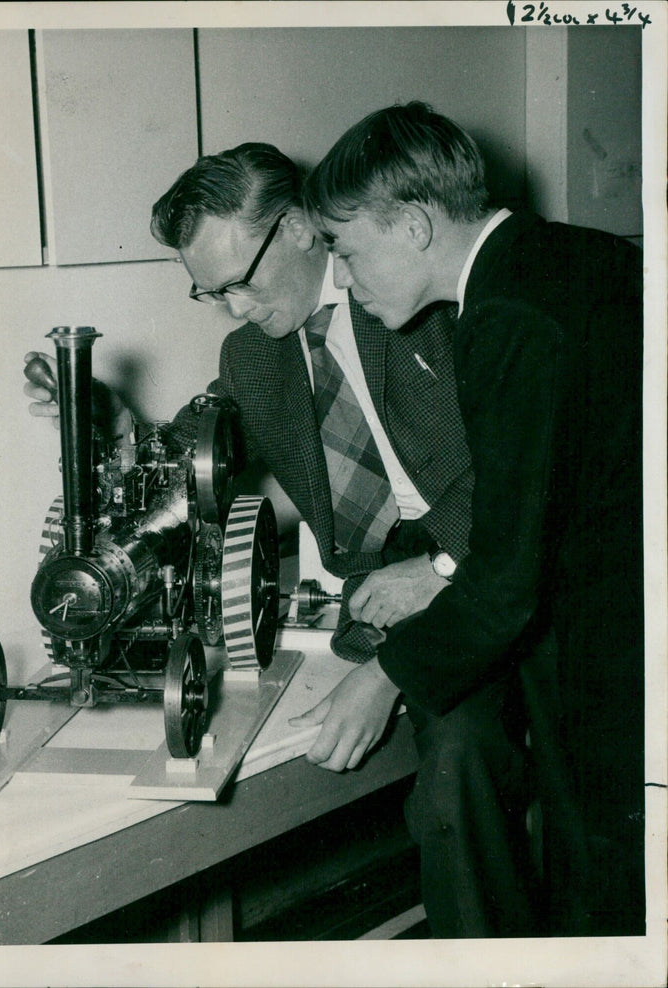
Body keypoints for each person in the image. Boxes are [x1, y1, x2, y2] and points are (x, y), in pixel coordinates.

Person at [26, 143, 542, 938]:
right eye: (212, 292)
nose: (234, 309)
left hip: (482, 566)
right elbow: (197, 458)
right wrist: (119, 425)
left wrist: (438, 568)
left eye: (241, 281)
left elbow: (518, 464)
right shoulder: (252, 355)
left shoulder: (417, 292)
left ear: (300, 227)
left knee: (458, 767)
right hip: (372, 590)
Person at [303, 101, 645, 938]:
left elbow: (506, 582)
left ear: (414, 226)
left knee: (604, 902)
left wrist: (384, 677)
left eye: (346, 249)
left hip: (610, 660)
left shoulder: (505, 321)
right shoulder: (579, 255)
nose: (342, 279)